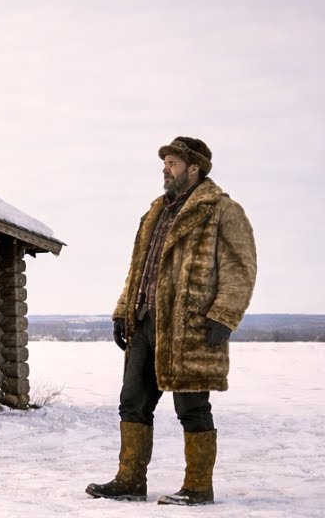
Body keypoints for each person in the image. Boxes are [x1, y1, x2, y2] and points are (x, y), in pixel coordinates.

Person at [86, 137, 256, 506]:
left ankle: (198, 486)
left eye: (173, 162)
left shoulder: (221, 210)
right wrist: (122, 310)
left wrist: (225, 315)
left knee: (191, 407)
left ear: (194, 167)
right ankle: (130, 480)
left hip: (190, 326)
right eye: (165, 162)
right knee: (132, 401)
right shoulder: (156, 211)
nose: (165, 168)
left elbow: (240, 268)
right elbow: (139, 269)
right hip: (145, 321)